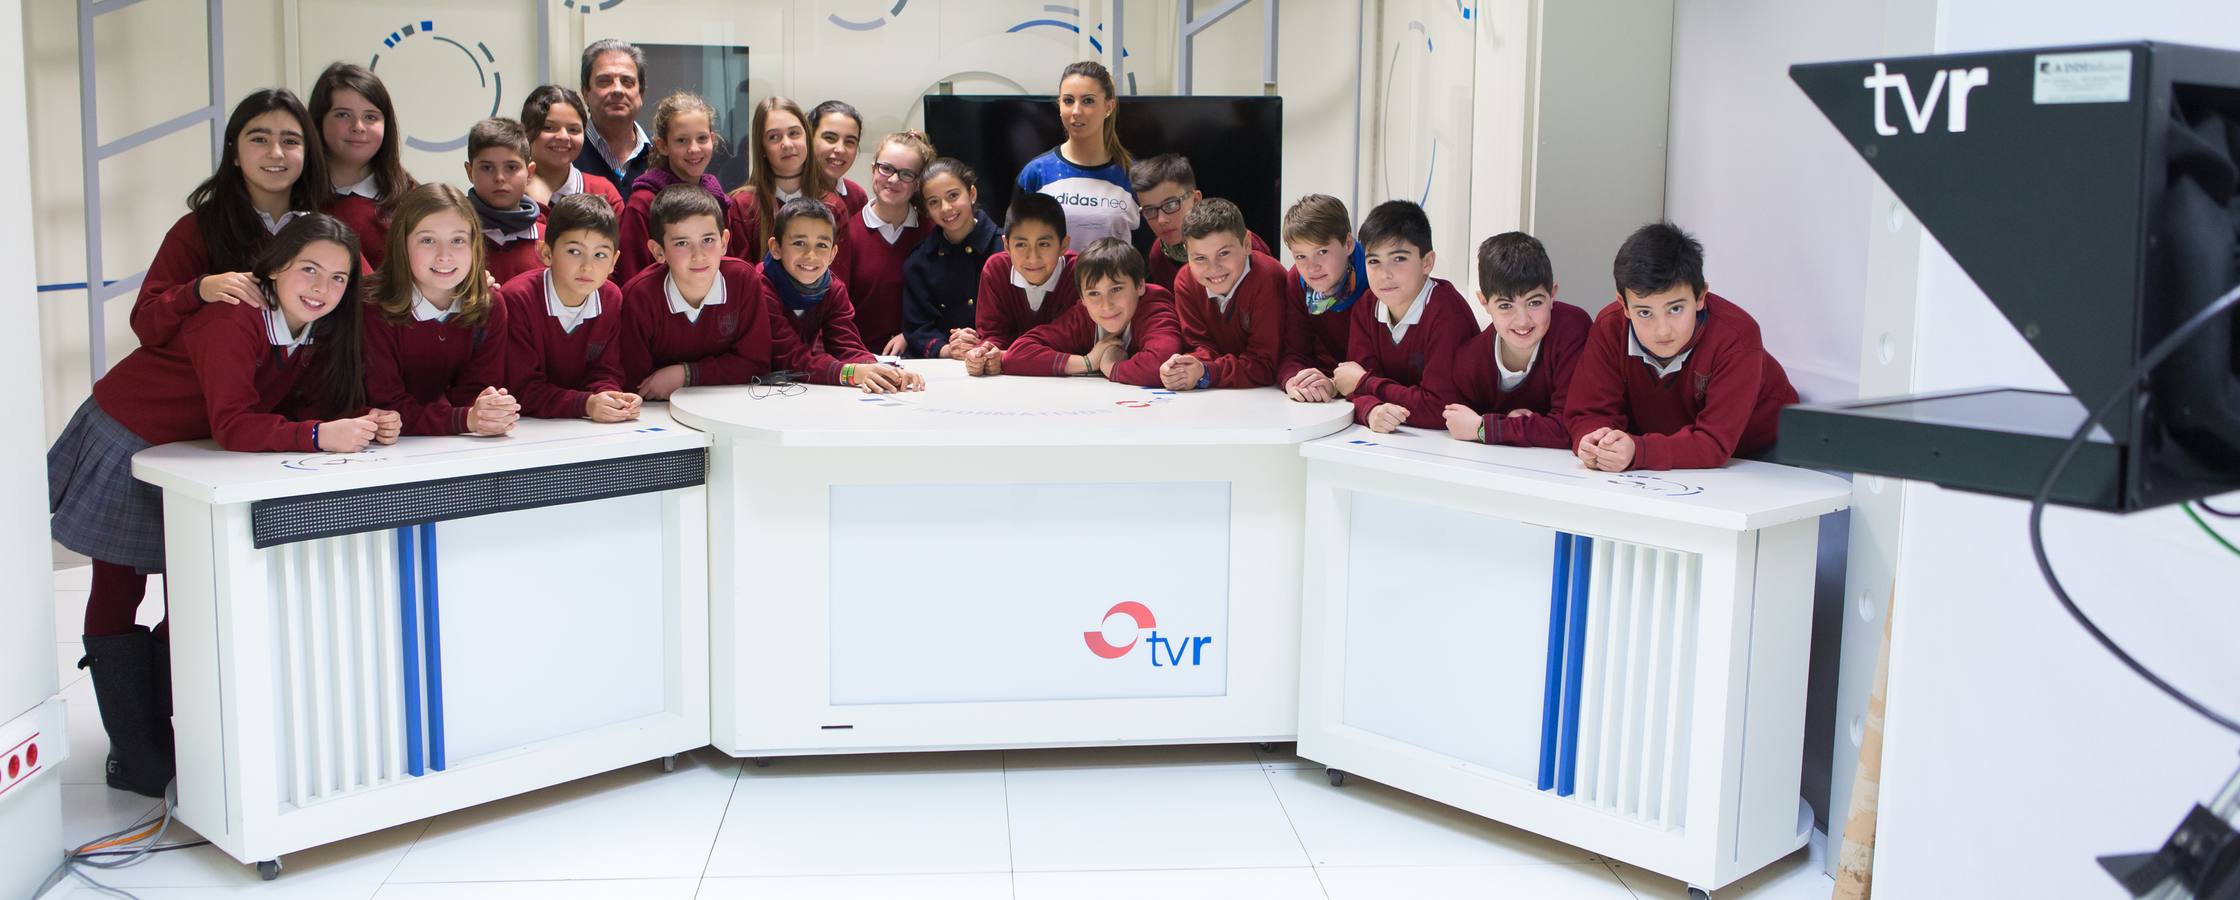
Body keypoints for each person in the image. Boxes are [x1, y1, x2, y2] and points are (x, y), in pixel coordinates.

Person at [54, 215, 396, 797]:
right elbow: (235, 422)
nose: (322, 287)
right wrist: (318, 436)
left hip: (186, 454)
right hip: (126, 435)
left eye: (338, 279)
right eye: (308, 269)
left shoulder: (309, 329)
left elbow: (268, 410)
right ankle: (135, 756)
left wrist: (362, 420)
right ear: (275, 265)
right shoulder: (234, 318)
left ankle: (171, 738)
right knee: (118, 588)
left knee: (190, 591)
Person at [1567, 222, 1798, 471]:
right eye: (1645, 312)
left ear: (1700, 297)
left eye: (1675, 309)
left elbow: (1714, 442)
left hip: (1766, 450)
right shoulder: (1610, 326)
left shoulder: (1737, 336)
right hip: (1676, 453)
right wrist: (1593, 440)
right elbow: (1587, 412)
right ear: (1623, 305)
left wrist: (1639, 451)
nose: (1662, 330)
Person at [134, 89, 330, 349]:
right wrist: (200, 290)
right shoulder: (197, 228)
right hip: (182, 388)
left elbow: (368, 301)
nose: (276, 152)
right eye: (259, 139)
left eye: (290, 141)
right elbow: (146, 324)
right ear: (234, 153)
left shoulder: (324, 234)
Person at [615, 184, 808, 397]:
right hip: (658, 412)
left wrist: (686, 375)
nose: (698, 255)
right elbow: (637, 384)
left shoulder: (743, 280)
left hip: (728, 403)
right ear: (659, 251)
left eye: (708, 240)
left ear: (724, 241)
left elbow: (755, 363)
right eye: (682, 243)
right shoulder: (639, 297)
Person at [361, 184, 519, 437]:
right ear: (402, 244)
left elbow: (474, 392)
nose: (444, 256)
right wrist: (466, 419)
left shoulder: (489, 305)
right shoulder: (373, 308)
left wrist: (491, 410)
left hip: (452, 444)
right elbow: (387, 407)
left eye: (457, 240)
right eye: (428, 240)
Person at [1431, 232, 1591, 447]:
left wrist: (1486, 428)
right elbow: (1457, 421)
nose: (1523, 321)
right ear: (1484, 302)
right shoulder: (1470, 362)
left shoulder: (1571, 328)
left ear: (1553, 295)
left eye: (1534, 303)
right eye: (1505, 306)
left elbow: (1572, 427)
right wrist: (1512, 424)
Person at [1331, 200, 1475, 433]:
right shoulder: (1367, 305)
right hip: (1396, 439)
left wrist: (1365, 383)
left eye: (1399, 259)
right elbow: (1351, 387)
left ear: (1427, 262)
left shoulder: (1448, 313)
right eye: (1374, 261)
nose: (1385, 274)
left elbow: (1440, 409)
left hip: (1450, 447)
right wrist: (1371, 410)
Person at [964, 237, 1180, 387]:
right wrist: (1088, 362)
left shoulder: (1155, 304)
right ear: (1083, 299)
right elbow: (1019, 352)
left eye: (1116, 289)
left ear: (1140, 285)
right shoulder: (1083, 315)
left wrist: (1111, 367)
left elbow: (1160, 364)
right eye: (1094, 294)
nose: (1106, 305)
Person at [500, 193, 640, 421]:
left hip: (579, 424)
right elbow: (521, 389)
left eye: (600, 255)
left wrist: (610, 398)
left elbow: (606, 369)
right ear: (546, 253)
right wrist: (586, 404)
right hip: (525, 427)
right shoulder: (517, 299)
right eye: (574, 252)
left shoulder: (611, 298)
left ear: (613, 262)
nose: (587, 267)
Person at [762, 198, 920, 391]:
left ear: (833, 254)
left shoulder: (832, 288)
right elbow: (791, 358)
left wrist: (883, 371)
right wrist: (850, 373)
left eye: (821, 245)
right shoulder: (760, 287)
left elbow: (847, 346)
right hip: (750, 389)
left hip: (796, 389)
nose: (811, 255)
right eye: (799, 243)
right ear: (776, 248)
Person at [1161, 198, 1285, 390]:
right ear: (1187, 253)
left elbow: (1265, 365)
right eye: (1200, 258)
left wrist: (1207, 372)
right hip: (1222, 393)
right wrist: (1184, 367)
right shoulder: (1185, 282)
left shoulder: (1269, 278)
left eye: (1224, 253)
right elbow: (1201, 347)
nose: (1214, 268)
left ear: (1246, 244)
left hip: (1271, 394)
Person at [833, 131, 937, 356]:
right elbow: (836, 310)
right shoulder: (847, 233)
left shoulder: (931, 233)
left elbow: (941, 304)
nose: (893, 180)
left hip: (921, 359)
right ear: (873, 169)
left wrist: (910, 334)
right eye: (886, 168)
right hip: (859, 358)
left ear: (918, 183)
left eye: (906, 174)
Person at [1014, 60, 1137, 246]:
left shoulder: (1133, 176)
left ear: (1109, 107)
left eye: (1088, 101)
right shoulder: (1036, 174)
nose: (1076, 111)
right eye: (1068, 101)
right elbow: (1018, 246)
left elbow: (1147, 257)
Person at [615, 92, 730, 285]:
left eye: (702, 138)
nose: (694, 149)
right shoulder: (643, 203)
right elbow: (631, 275)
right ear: (662, 145)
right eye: (681, 140)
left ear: (712, 139)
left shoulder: (718, 198)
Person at [311, 63, 414, 267]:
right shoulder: (294, 196)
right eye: (343, 114)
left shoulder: (411, 200)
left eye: (370, 117)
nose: (358, 127)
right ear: (318, 120)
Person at [900, 157, 1002, 359]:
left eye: (953, 195)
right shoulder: (920, 261)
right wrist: (948, 349)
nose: (946, 208)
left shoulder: (1005, 248)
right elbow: (918, 326)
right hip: (944, 364)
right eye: (934, 202)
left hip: (999, 357)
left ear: (971, 194)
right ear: (926, 210)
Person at [727, 96, 846, 262]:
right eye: (774, 137)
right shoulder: (742, 206)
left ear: (807, 138)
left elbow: (837, 281)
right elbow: (741, 279)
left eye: (794, 133)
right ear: (761, 147)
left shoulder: (833, 206)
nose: (787, 144)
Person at [1130, 153, 1270, 291]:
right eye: (1149, 211)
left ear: (1196, 200)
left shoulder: (1242, 244)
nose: (1161, 220)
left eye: (1171, 205)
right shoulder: (1158, 255)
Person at [1276, 194, 1368, 403]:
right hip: (1330, 391)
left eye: (1322, 251)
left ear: (1348, 244)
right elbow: (1294, 352)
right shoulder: (1296, 281)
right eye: (1301, 256)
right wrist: (1294, 380)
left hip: (1374, 397)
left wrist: (1335, 386)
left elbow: (1383, 367)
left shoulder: (1376, 281)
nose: (1312, 267)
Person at [973, 192, 1077, 350]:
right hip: (1011, 369)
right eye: (1021, 245)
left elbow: (1072, 338)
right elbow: (994, 334)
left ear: (1063, 245)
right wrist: (986, 352)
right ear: (1006, 246)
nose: (1033, 258)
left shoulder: (1080, 273)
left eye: (1044, 244)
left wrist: (1012, 354)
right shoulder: (997, 270)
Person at [463, 118, 545, 285]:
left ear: (530, 173)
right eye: (487, 167)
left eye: (511, 167)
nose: (499, 178)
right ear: (470, 172)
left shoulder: (550, 239)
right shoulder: (454, 236)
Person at [522, 84, 625, 213]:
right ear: (525, 131)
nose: (564, 137)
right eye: (549, 127)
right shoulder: (507, 189)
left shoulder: (603, 192)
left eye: (573, 130)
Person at [575, 39, 653, 193]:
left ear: (641, 93)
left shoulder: (663, 152)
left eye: (627, 81)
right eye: (604, 81)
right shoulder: (567, 152)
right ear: (585, 93)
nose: (618, 90)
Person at [809, 100, 868, 218]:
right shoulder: (790, 191)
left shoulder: (857, 197)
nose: (840, 149)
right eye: (830, 138)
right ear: (810, 138)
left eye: (849, 142)